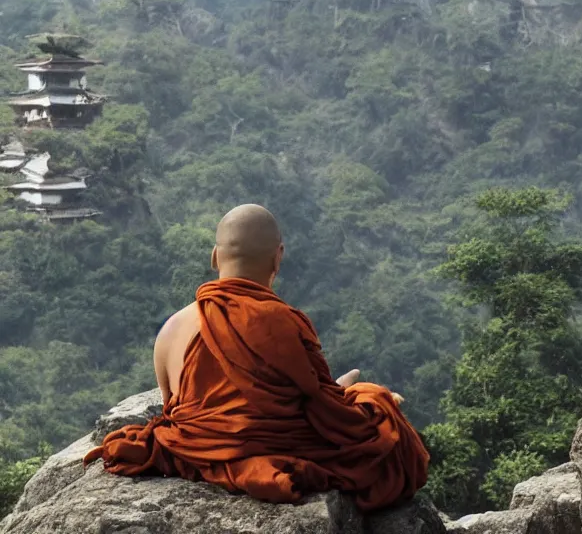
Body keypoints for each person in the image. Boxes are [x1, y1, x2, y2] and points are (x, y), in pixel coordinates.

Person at [84, 204, 429, 511]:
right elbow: (327, 412)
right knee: (378, 410)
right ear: (278, 257)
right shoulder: (283, 321)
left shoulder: (171, 331)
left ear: (215, 257)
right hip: (279, 445)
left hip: (199, 449)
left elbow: (180, 414)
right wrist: (360, 399)